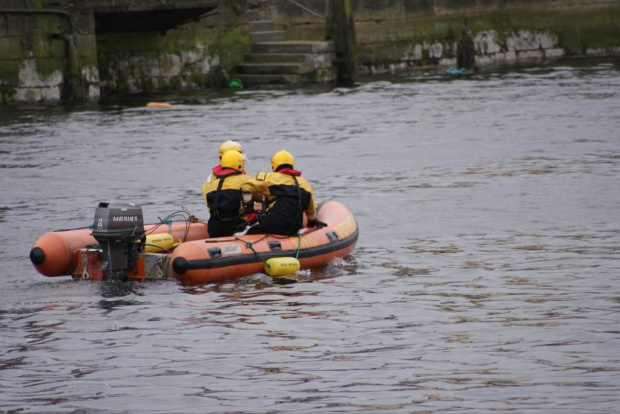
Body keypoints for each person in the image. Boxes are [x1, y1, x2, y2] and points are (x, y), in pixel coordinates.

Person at [241, 149, 327, 236]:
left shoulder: (268, 178)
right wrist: (312, 226)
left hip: (271, 225)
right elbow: (311, 215)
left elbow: (245, 188)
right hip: (293, 229)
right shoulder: (305, 184)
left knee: (250, 231)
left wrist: (250, 211)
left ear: (274, 165)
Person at [201, 149, 254, 238]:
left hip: (214, 229)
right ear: (239, 164)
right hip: (236, 228)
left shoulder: (213, 184)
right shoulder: (245, 180)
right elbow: (248, 200)